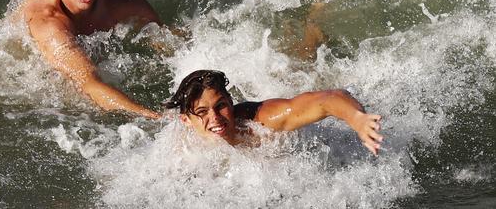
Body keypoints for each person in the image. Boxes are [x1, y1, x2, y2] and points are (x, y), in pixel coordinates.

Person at [17, 0, 161, 118]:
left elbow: (166, 39)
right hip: (28, 71)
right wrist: (155, 117)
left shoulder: (124, 1)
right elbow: (88, 83)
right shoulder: (47, 18)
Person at [164, 70, 383, 155]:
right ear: (186, 120)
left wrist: (357, 119)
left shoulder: (261, 120)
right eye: (202, 112)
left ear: (231, 102)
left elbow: (327, 99)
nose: (215, 118)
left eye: (220, 105)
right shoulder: (182, 151)